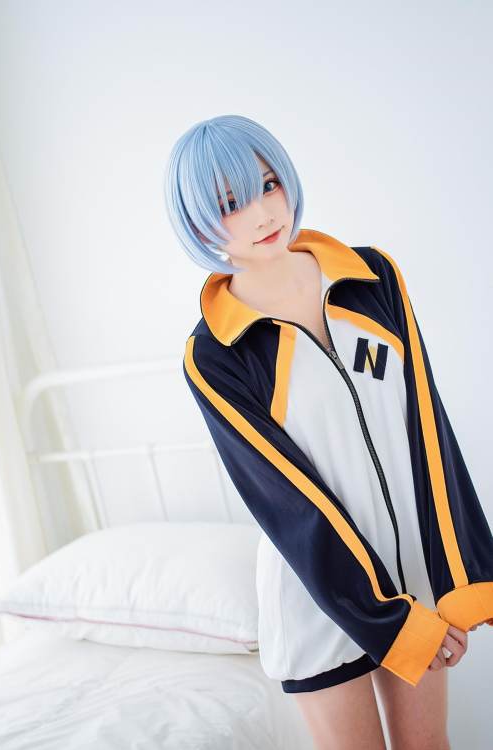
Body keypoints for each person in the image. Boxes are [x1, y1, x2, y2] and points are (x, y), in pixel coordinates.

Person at [163, 114, 493, 750]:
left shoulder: (372, 278)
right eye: (230, 204)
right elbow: (292, 506)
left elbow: (429, 433)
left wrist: (461, 574)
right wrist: (385, 621)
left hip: (412, 577)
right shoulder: (216, 353)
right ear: (197, 222)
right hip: (318, 600)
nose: (263, 212)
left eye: (267, 185)